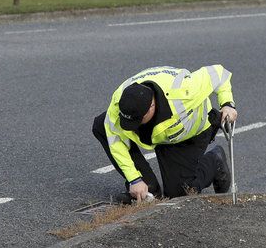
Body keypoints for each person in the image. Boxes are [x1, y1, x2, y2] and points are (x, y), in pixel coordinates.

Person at [92, 65, 237, 202]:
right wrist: (134, 179)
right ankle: (148, 189)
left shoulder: (184, 92)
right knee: (103, 125)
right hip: (161, 135)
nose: (130, 127)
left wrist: (227, 104)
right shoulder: (120, 102)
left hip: (190, 134)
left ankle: (215, 160)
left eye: (136, 121)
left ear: (151, 107)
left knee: (180, 194)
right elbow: (115, 139)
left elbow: (218, 72)